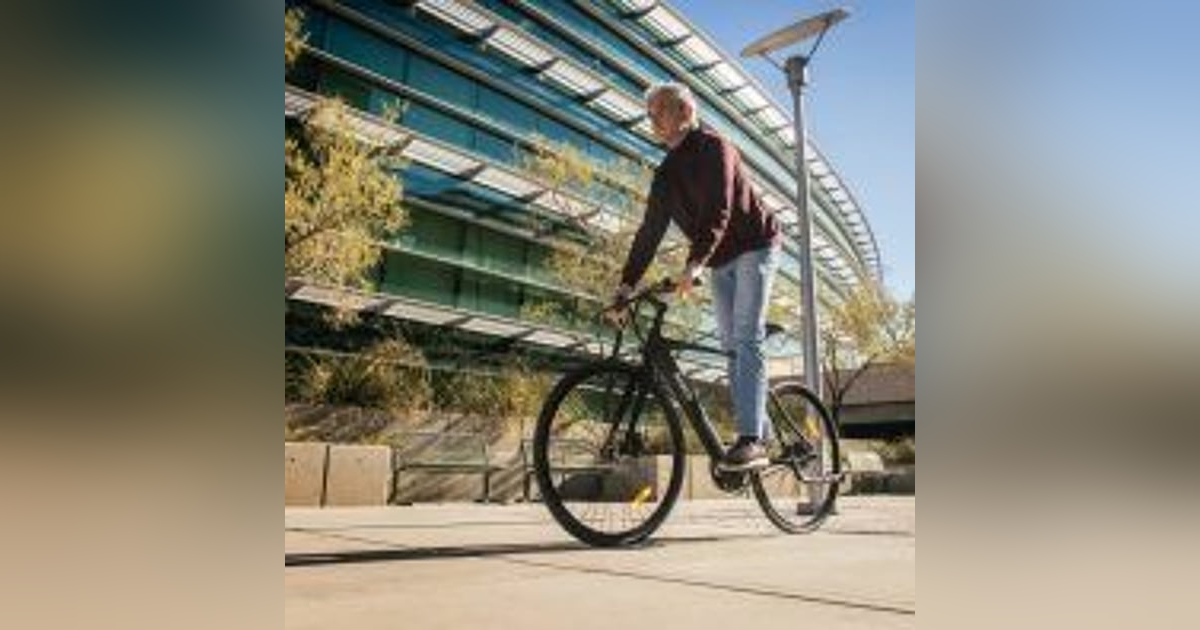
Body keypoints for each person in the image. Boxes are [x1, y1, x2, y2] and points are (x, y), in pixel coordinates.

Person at [607, 82, 782, 471]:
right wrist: (625, 285)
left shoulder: (715, 147)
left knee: (745, 333)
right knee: (729, 346)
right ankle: (762, 433)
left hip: (756, 245)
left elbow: (718, 209)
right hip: (719, 259)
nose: (651, 120)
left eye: (659, 112)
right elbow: (649, 232)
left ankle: (751, 440)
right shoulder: (666, 172)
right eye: (649, 114)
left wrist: (694, 264)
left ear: (685, 112)